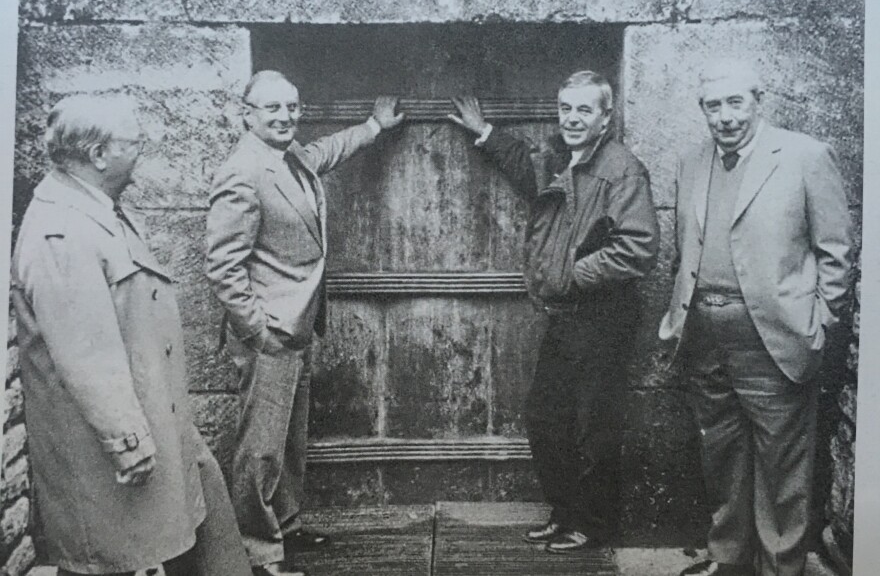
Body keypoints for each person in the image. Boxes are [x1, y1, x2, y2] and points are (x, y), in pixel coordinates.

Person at [9, 94, 252, 576]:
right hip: (109, 448)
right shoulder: (61, 233)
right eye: (134, 143)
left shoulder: (94, 207)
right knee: (106, 559)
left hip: (155, 420)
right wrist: (128, 442)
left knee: (194, 536)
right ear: (99, 155)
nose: (142, 151)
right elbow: (86, 357)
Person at [447, 71, 660, 552]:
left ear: (607, 116)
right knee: (546, 418)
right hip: (569, 316)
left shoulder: (621, 169)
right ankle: (565, 514)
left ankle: (593, 525)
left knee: (594, 426)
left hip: (603, 316)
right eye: (566, 108)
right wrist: (485, 134)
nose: (573, 118)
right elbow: (530, 170)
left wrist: (571, 275)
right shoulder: (567, 158)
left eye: (585, 110)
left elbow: (639, 248)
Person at [205, 70, 404, 576]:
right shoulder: (242, 171)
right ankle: (258, 551)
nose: (285, 117)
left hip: (296, 324)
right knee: (261, 448)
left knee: (290, 440)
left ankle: (285, 526)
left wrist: (373, 127)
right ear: (246, 113)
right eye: (272, 108)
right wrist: (257, 330)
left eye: (292, 107)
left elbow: (325, 153)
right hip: (270, 331)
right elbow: (223, 266)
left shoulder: (288, 157)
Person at [660, 61, 853, 576]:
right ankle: (729, 562)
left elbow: (836, 251)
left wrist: (820, 327)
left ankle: (779, 567)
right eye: (713, 106)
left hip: (775, 340)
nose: (725, 117)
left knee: (782, 469)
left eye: (735, 103)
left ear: (758, 100)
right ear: (703, 110)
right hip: (705, 338)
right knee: (721, 457)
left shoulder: (804, 156)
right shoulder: (692, 161)